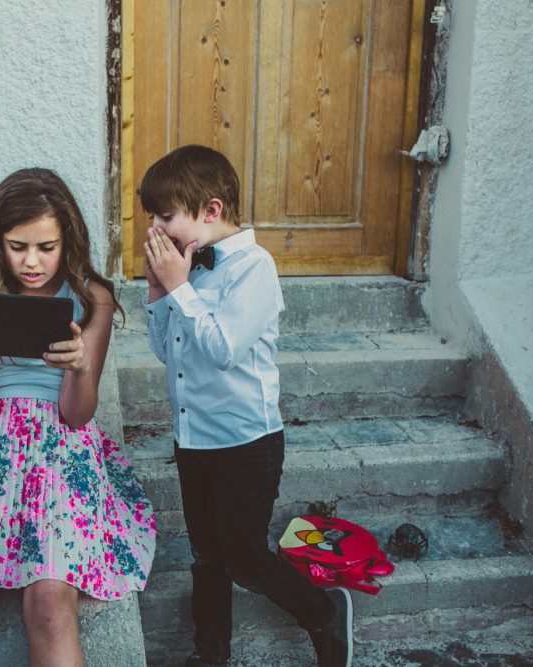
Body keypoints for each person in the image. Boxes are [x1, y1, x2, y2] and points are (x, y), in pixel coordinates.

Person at [0, 167, 156, 666]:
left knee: (50, 601)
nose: (31, 262)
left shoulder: (91, 296)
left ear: (67, 239)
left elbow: (78, 415)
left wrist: (80, 368)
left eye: (46, 247)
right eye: (17, 245)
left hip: (61, 447)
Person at [138, 145, 353, 667]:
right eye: (153, 218)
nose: (157, 229)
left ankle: (323, 614)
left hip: (245, 444)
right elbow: (170, 354)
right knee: (207, 557)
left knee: (246, 557)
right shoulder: (189, 273)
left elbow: (224, 350)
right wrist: (158, 297)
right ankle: (208, 654)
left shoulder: (253, 268)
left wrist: (180, 289)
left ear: (210, 211)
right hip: (193, 440)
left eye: (166, 216)